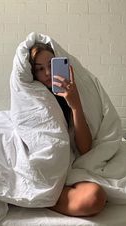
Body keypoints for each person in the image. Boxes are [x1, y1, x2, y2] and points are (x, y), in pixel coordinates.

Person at [29, 43, 107, 217]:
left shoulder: (71, 94)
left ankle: (37, 197)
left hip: (64, 165)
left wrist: (76, 104)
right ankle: (35, 194)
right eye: (39, 69)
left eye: (51, 65)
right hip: (37, 165)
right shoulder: (31, 100)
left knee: (94, 197)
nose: (47, 73)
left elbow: (85, 148)